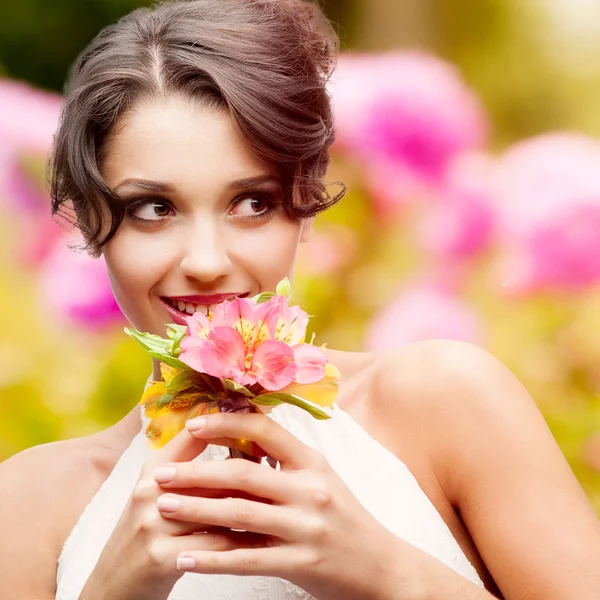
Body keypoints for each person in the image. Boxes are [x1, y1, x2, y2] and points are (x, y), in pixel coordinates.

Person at [2, 0, 599, 598]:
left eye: (252, 203)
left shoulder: (444, 404)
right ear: (87, 222)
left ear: (306, 204)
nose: (207, 262)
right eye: (154, 209)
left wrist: (386, 570)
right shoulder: (30, 503)